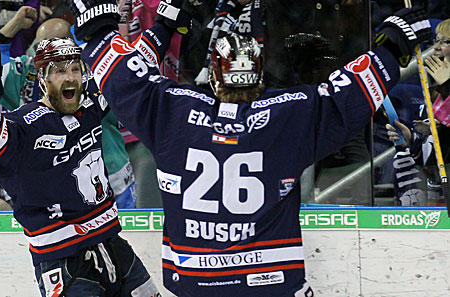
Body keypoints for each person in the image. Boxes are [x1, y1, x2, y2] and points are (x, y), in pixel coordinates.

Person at [59, 0, 431, 295]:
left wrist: (100, 28)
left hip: (192, 281)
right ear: (258, 75)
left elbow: (122, 74)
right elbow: (344, 95)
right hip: (271, 281)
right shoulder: (288, 117)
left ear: (215, 78)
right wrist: (391, 47)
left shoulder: (173, 111)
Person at [0, 38, 159, 296]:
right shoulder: (26, 123)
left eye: (75, 69)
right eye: (59, 70)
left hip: (113, 245)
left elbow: (130, 70)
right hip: (63, 260)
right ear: (42, 79)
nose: (70, 78)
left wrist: (165, 25)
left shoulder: (89, 103)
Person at [0, 11, 138, 209]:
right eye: (41, 47)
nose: (50, 54)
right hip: (50, 187)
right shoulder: (25, 73)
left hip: (109, 176)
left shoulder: (96, 71)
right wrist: (16, 23)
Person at [386, 18, 450, 206]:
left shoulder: (444, 88)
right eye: (436, 40)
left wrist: (447, 86)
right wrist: (412, 141)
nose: (436, 48)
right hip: (438, 194)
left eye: (445, 41)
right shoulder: (433, 92)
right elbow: (435, 155)